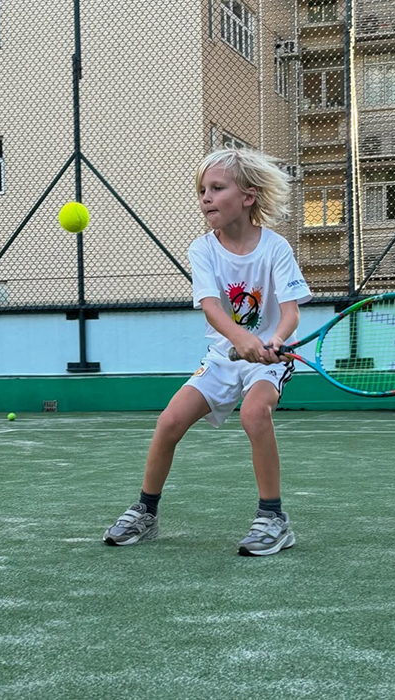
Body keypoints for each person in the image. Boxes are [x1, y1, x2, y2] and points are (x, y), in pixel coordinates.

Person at [103, 147, 312, 556]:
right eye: (202, 190)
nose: (206, 197)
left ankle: (274, 518)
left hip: (267, 363)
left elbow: (290, 313)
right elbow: (211, 307)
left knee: (255, 413)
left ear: (248, 196)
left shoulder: (276, 248)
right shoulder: (202, 250)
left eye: (217, 188)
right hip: (223, 357)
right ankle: (146, 512)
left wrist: (274, 340)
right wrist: (241, 339)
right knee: (169, 421)